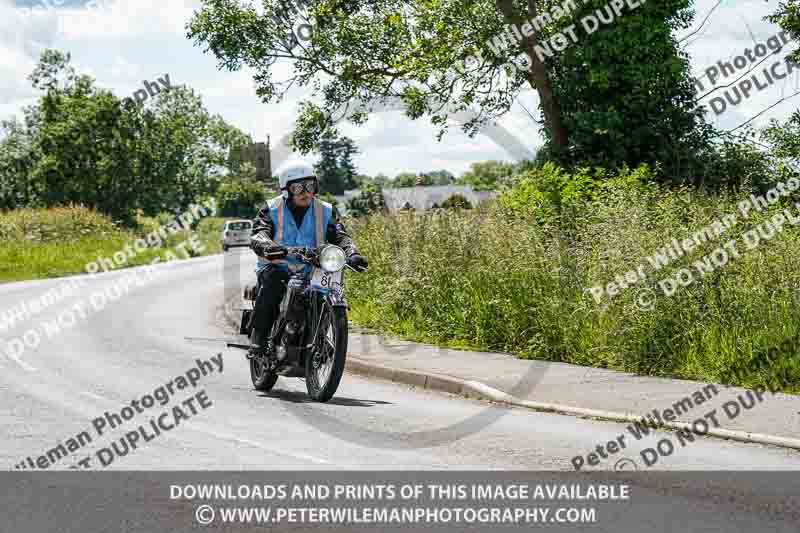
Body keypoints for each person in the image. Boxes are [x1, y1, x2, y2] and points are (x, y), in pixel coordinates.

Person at [248, 162, 368, 351]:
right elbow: (259, 232)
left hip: (313, 268)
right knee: (273, 280)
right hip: (278, 265)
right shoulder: (271, 208)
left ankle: (320, 334)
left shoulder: (326, 210)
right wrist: (267, 245)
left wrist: (352, 253)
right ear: (287, 191)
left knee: (329, 287)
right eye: (298, 188)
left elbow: (340, 234)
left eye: (310, 186)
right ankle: (260, 338)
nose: (305, 192)